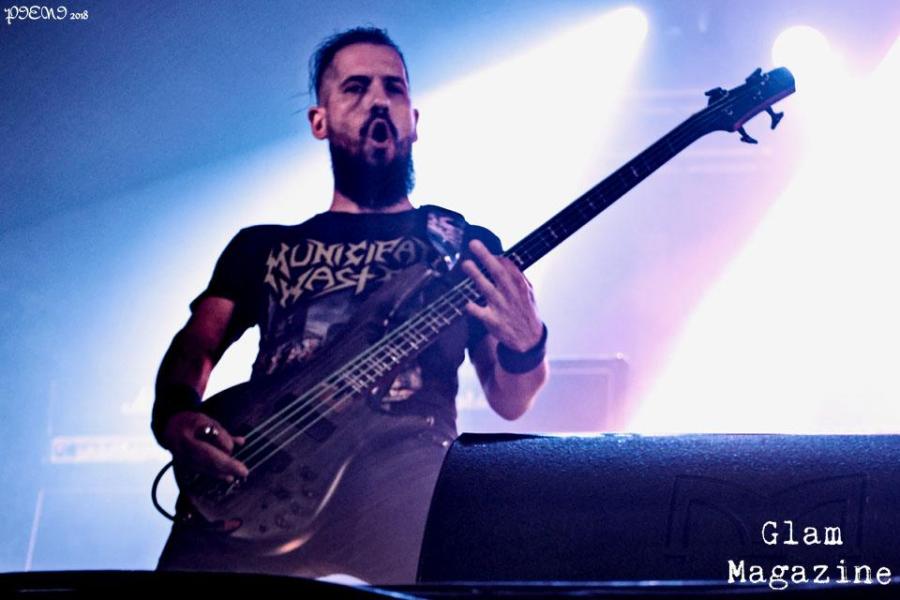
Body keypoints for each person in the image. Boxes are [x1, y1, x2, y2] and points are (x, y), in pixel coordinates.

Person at [151, 26, 548, 584]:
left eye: (394, 87)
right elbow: (198, 344)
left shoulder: (464, 245)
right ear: (320, 120)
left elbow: (510, 400)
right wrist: (175, 415)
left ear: (414, 119)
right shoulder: (262, 246)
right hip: (261, 475)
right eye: (356, 88)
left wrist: (528, 344)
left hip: (404, 485)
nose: (378, 100)